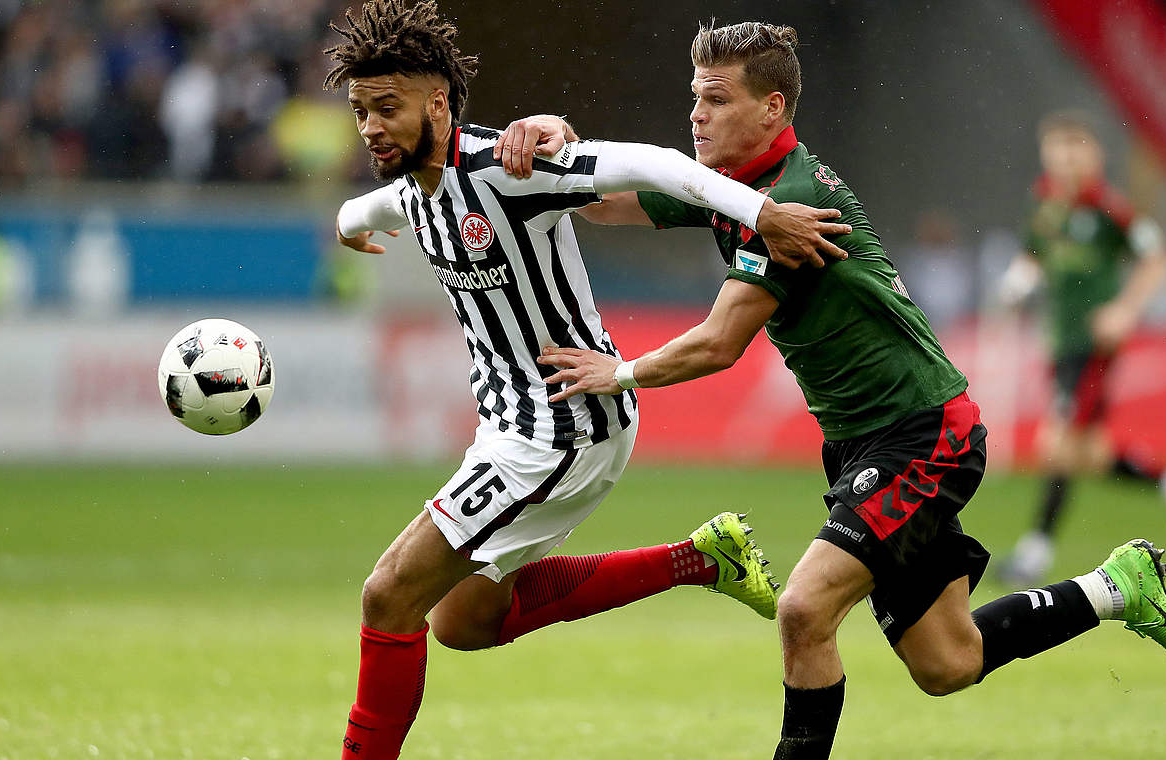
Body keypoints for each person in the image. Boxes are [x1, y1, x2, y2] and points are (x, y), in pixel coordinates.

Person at [519, 22, 1166, 759]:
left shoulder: (792, 202)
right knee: (948, 663)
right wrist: (560, 138)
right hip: (860, 442)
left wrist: (616, 372)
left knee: (803, 611)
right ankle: (1115, 586)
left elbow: (720, 342)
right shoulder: (733, 190)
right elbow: (600, 204)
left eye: (716, 99)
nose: (696, 114)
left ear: (773, 108)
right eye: (695, 97)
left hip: (923, 432)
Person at [324, 3, 854, 758]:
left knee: (388, 594)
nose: (371, 127)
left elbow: (655, 165)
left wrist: (760, 212)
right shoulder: (414, 191)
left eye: (387, 107)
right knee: (462, 622)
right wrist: (350, 222)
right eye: (359, 111)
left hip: (564, 423)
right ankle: (700, 558)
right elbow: (369, 208)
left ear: (437, 102)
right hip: (513, 426)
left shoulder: (508, 169)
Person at [995, 110, 1166, 588]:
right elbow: (1034, 254)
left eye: (1075, 148)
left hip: (1092, 346)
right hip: (1060, 341)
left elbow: (1158, 259)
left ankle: (1034, 552)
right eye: (1057, 149)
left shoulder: (1110, 209)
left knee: (1058, 443)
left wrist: (1125, 310)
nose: (1066, 160)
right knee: (1089, 454)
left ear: (1093, 154)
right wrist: (1019, 281)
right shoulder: (1046, 204)